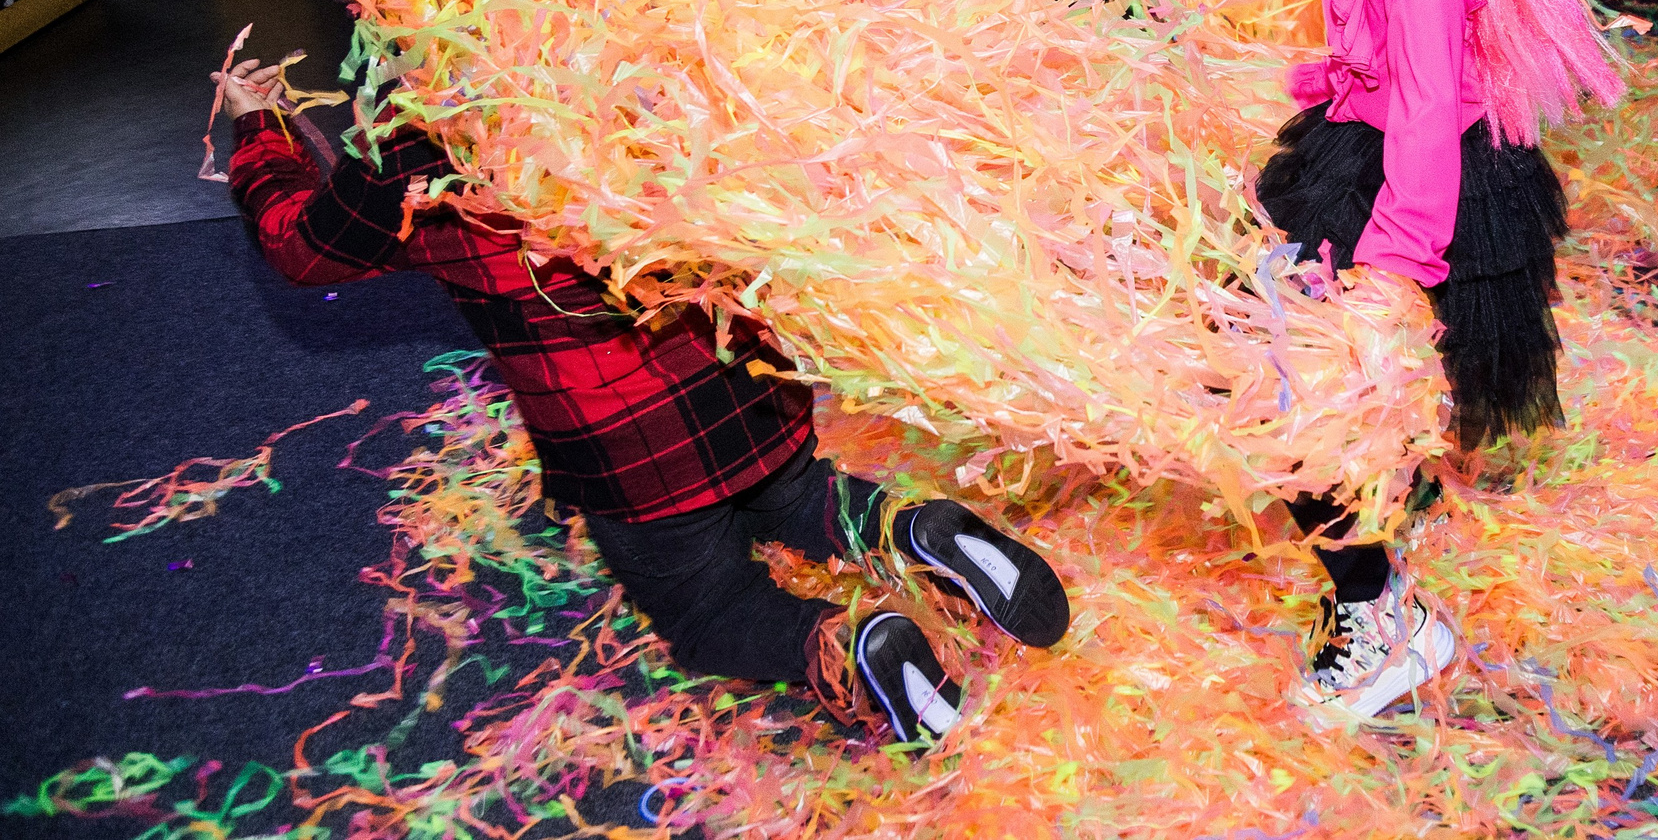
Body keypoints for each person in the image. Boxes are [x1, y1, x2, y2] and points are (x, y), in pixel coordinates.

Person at [214, 55, 1071, 745]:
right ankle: (916, 531)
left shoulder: (419, 130)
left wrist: (260, 128)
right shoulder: (641, 51)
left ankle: (847, 650)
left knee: (709, 612)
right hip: (746, 390)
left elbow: (303, 246)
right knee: (798, 496)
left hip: (627, 453)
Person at [1235, 0, 1623, 722]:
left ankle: (1382, 614)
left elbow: (1423, 105)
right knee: (1312, 392)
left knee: (1315, 402)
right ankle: (1376, 597)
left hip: (1421, 187)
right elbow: (1388, 63)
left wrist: (1387, 271)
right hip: (1376, 154)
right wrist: (1324, 75)